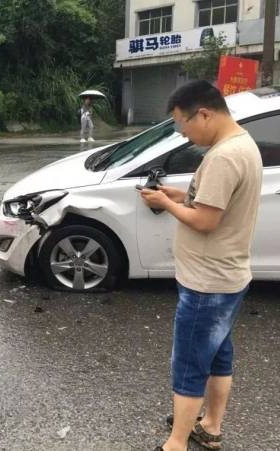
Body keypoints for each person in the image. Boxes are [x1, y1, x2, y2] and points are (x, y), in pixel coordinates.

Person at [141, 81, 262, 451]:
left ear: (205, 114)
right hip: (229, 276)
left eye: (183, 123)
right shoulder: (242, 145)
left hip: (207, 283)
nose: (184, 133)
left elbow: (205, 221)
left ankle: (176, 443)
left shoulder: (224, 157)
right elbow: (212, 203)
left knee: (190, 364)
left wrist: (165, 204)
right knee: (218, 355)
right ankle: (210, 426)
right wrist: (178, 195)